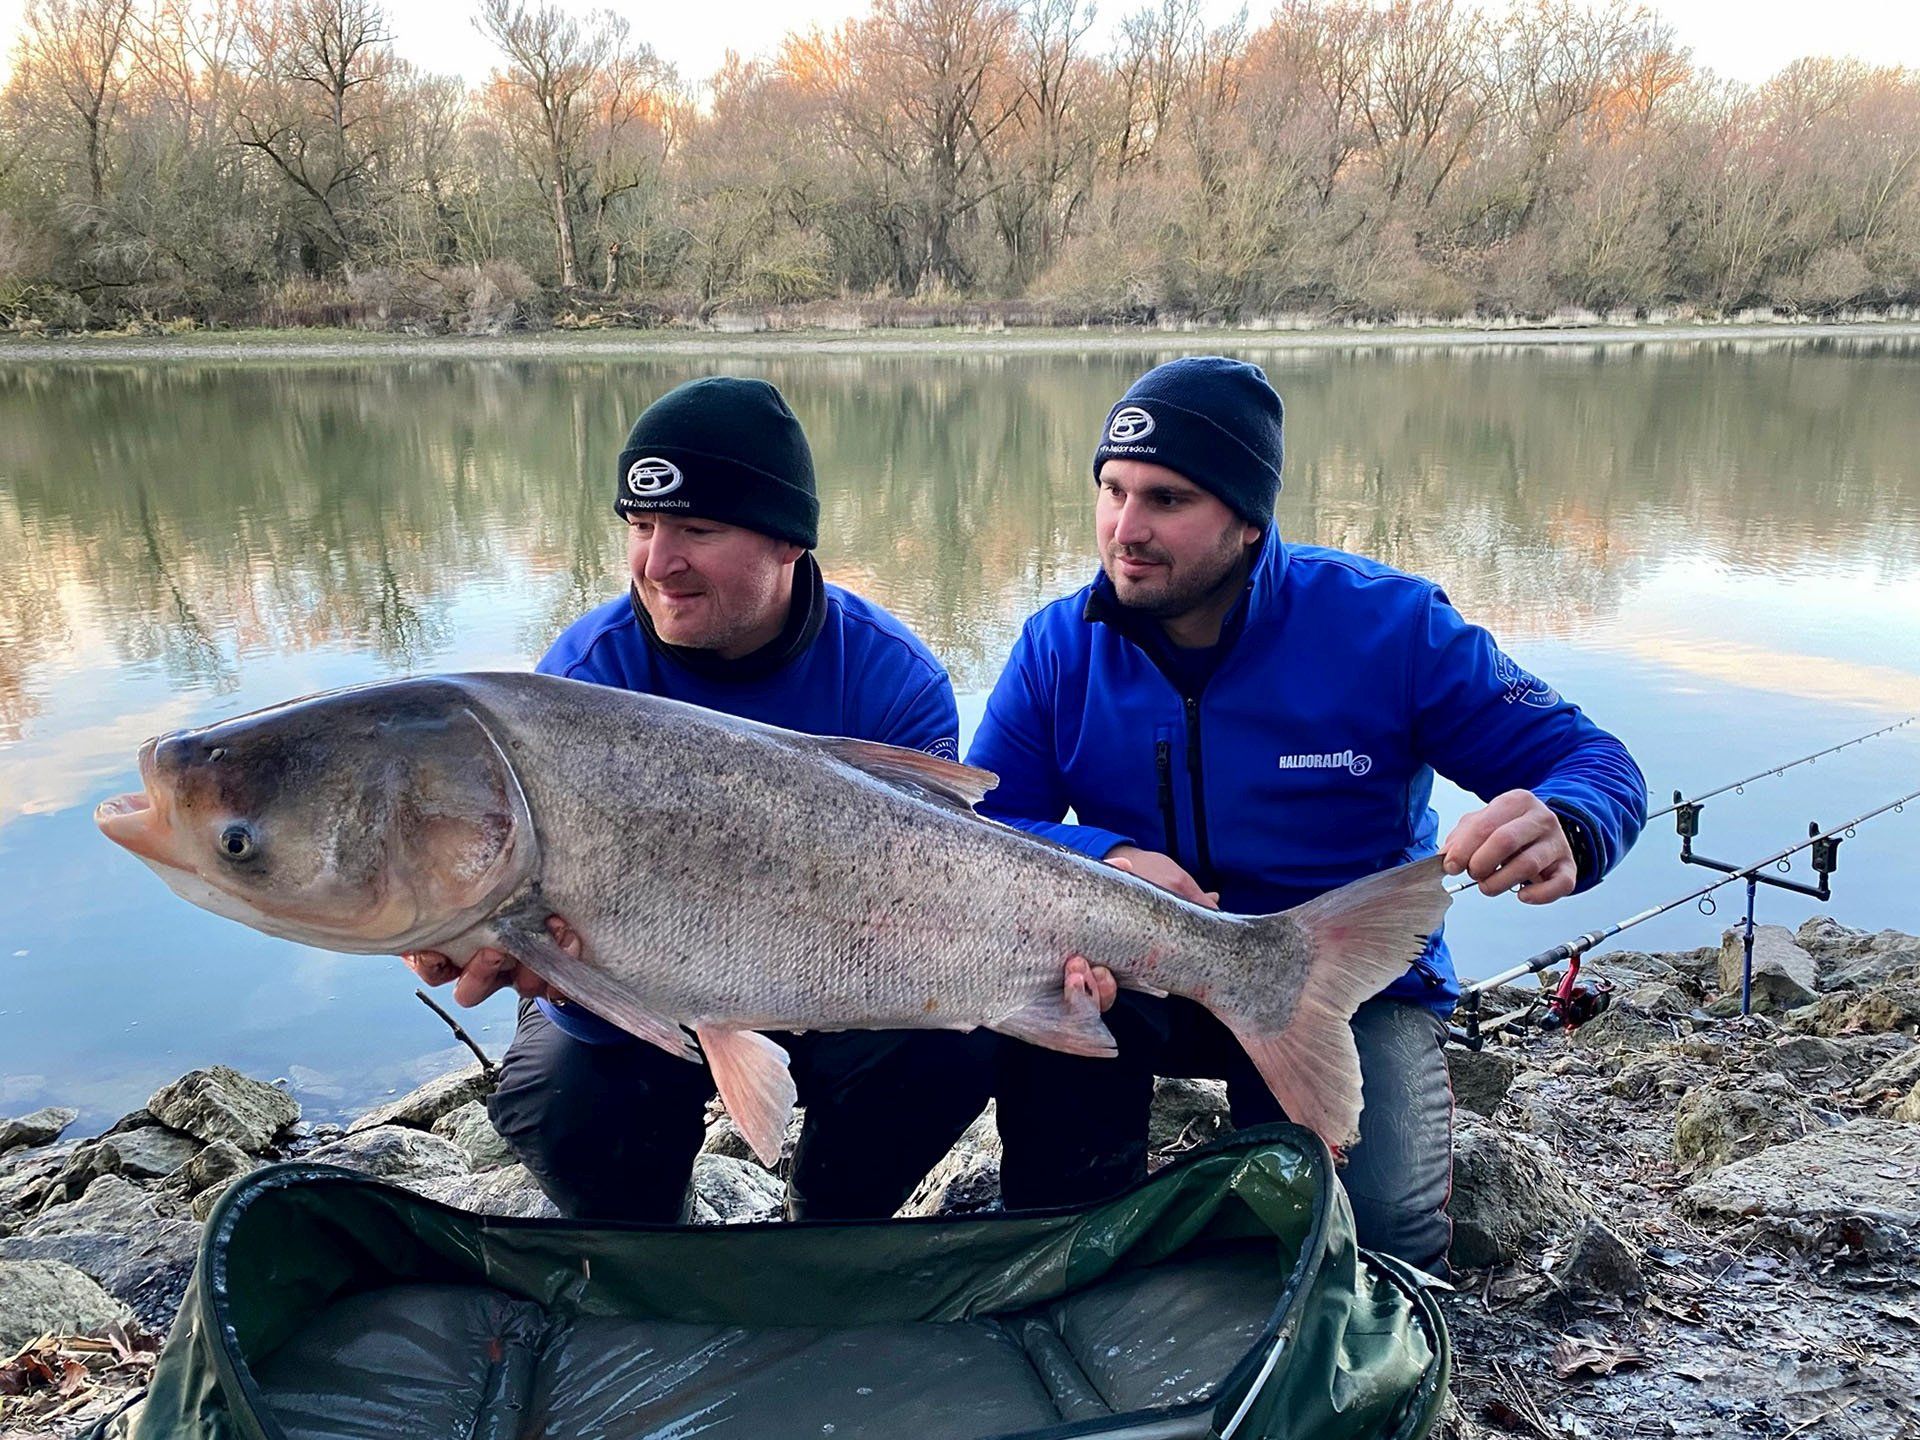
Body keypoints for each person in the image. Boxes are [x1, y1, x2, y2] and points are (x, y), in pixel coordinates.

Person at [968, 356, 1647, 1274]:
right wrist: (1107, 851)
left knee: (1374, 1252)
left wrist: (1571, 819)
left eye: (1167, 500)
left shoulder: (1390, 628)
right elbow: (985, 830)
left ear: (1249, 520)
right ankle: (1082, 1245)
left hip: (1340, 978)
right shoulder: (1059, 646)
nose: (1125, 530)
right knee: (1055, 1202)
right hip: (1142, 972)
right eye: (1113, 491)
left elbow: (1595, 759)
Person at [405, 375, 992, 1223]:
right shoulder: (584, 677)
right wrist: (551, 968)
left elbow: (941, 902)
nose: (656, 562)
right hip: (635, 981)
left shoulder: (893, 680)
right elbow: (539, 915)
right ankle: (661, 1251)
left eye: (696, 529)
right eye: (640, 527)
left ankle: (831, 1229)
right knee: (559, 1097)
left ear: (789, 542)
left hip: (841, 975)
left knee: (957, 1050)